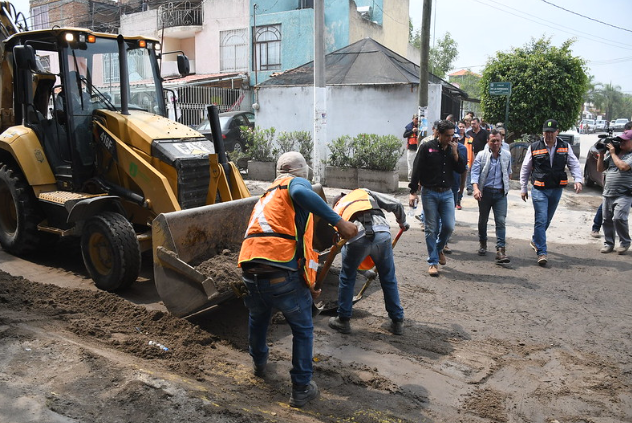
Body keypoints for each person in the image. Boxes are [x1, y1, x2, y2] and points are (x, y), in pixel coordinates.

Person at [237, 152, 357, 408]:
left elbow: (300, 249)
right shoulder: (293, 183)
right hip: (279, 273)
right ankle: (301, 388)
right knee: (302, 330)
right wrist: (339, 222)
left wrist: (310, 284)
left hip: (250, 271)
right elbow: (303, 193)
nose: (304, 180)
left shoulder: (267, 195)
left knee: (258, 319)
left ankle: (259, 364)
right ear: (298, 171)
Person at [328, 189, 409, 335]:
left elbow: (345, 249)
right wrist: (402, 222)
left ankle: (343, 320)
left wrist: (362, 271)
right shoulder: (364, 193)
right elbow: (396, 204)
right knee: (388, 277)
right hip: (382, 233)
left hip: (356, 238)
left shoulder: (336, 212)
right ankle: (397, 321)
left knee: (347, 277)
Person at [520, 119, 583, 266]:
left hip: (556, 189)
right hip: (539, 189)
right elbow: (525, 168)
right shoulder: (534, 147)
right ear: (542, 133)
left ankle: (536, 240)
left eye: (551, 132)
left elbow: (573, 164)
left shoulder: (565, 146)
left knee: (546, 221)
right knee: (541, 219)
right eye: (546, 132)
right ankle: (542, 252)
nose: (548, 135)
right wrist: (523, 188)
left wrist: (578, 180)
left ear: (557, 132)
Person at [409, 120, 466, 276]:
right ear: (438, 134)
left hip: (447, 193)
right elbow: (417, 168)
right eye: (447, 136)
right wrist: (413, 191)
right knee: (431, 229)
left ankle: (439, 248)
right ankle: (433, 262)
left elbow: (461, 169)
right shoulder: (427, 147)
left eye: (452, 135)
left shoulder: (453, 149)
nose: (450, 139)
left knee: (449, 226)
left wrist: (455, 154)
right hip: (429, 193)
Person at [471, 129, 512, 263]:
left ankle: (501, 250)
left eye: (498, 141)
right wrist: (476, 189)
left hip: (500, 194)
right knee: (483, 220)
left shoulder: (506, 155)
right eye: (492, 140)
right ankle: (483, 243)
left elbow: (508, 172)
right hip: (485, 193)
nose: (495, 143)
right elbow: (475, 173)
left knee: (500, 221)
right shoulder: (481, 155)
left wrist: (506, 186)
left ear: (501, 141)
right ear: (488, 141)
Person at [596, 129, 632, 255]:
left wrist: (612, 153)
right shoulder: (614, 154)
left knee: (619, 218)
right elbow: (600, 169)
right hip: (608, 193)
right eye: (620, 140)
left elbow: (623, 166)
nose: (620, 142)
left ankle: (625, 242)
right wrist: (601, 154)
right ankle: (609, 244)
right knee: (606, 220)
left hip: (624, 194)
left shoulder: (629, 156)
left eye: (624, 140)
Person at [465, 118, 489, 195]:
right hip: (471, 154)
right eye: (471, 124)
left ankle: (479, 186)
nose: (473, 125)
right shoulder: (469, 133)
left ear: (478, 124)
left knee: (480, 170)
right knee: (470, 170)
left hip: (481, 155)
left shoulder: (484, 133)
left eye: (474, 123)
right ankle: (469, 187)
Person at [403, 114, 419, 181]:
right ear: (413, 119)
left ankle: (417, 179)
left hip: (418, 149)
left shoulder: (421, 126)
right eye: (416, 119)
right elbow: (404, 135)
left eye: (418, 119)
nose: (417, 120)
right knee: (411, 167)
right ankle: (410, 180)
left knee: (418, 166)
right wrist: (412, 131)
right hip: (411, 149)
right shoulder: (409, 126)